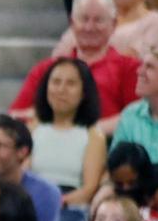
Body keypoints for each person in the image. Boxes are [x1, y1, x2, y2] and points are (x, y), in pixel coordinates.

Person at [10, 0, 139, 128]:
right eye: (84, 19)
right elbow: (15, 115)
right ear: (72, 23)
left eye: (98, 20)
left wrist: (88, 133)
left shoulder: (130, 68)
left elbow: (137, 118)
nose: (90, 27)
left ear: (113, 25)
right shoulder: (46, 69)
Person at [25, 57, 107, 209]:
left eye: (71, 83)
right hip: (32, 206)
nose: (61, 90)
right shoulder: (33, 129)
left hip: (70, 209)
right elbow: (22, 175)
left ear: (84, 93)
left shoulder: (93, 135)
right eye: (56, 82)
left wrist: (56, 203)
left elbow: (89, 189)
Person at [108, 44, 158, 170]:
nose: (139, 71)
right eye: (142, 65)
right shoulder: (130, 115)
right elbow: (115, 169)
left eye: (149, 67)